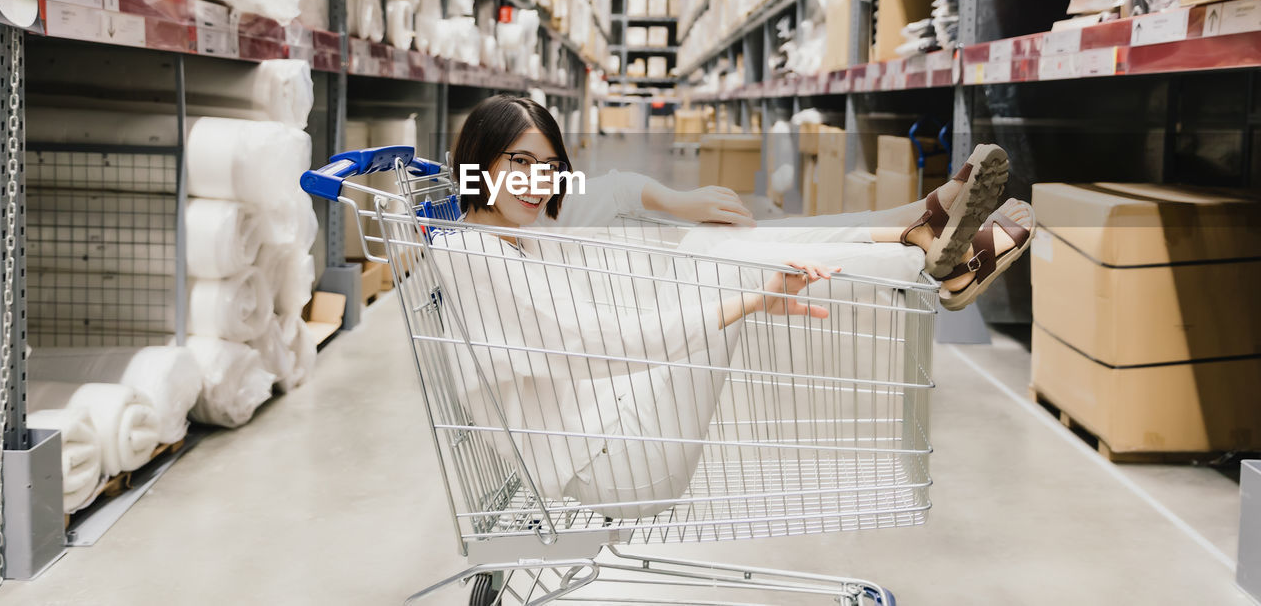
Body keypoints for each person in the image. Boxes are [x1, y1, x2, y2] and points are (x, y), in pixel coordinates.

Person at [427, 95, 1035, 518]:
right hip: (609, 462)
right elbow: (599, 343)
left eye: (549, 168)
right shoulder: (476, 256)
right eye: (519, 164)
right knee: (715, 267)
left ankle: (915, 230)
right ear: (478, 165)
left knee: (709, 242)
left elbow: (611, 188)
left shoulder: (520, 225)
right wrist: (744, 303)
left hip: (614, 421)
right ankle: (929, 257)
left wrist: (679, 200)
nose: (536, 182)